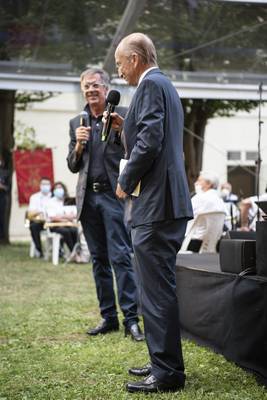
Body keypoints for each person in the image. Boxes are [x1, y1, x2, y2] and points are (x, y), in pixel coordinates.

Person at [112, 33, 193, 393]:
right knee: (159, 287)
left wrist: (125, 180)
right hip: (167, 203)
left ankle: (167, 373)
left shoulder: (149, 86)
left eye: (119, 64)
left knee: (156, 290)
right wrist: (125, 126)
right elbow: (149, 134)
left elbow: (150, 141)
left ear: (134, 59)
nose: (119, 71)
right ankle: (162, 360)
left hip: (156, 205)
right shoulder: (166, 86)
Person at [66, 68, 143, 341]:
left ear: (106, 87)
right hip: (88, 200)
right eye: (86, 86)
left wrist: (123, 130)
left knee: (121, 257)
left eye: (95, 85)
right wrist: (78, 146)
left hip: (114, 197)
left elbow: (135, 149)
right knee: (98, 260)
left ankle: (131, 320)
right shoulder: (78, 121)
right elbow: (73, 165)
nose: (90, 90)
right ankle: (108, 317)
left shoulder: (121, 114)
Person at [187, 171, 226, 252]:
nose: (196, 183)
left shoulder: (199, 198)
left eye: (199, 180)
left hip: (193, 244)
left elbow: (186, 216)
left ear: (208, 184)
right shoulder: (220, 200)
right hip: (212, 246)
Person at [45, 181, 78, 253]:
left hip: (69, 225)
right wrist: (66, 217)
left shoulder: (69, 201)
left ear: (64, 189)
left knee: (74, 231)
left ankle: (76, 252)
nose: (59, 190)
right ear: (53, 191)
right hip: (55, 226)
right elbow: (53, 217)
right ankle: (74, 253)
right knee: (66, 232)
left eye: (60, 188)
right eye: (56, 188)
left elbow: (74, 215)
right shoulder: (50, 202)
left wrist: (61, 216)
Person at [27, 177, 52, 257]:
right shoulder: (34, 197)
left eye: (47, 184)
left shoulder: (53, 196)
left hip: (52, 222)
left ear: (50, 185)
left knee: (61, 229)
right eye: (43, 184)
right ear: (40, 185)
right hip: (40, 222)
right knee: (33, 226)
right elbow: (30, 214)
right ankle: (39, 250)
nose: (45, 186)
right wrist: (40, 211)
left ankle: (59, 250)